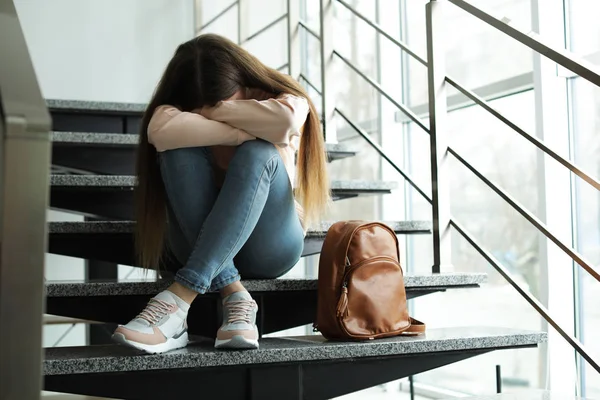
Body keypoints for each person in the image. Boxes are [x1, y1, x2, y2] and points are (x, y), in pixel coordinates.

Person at [111, 34, 330, 354]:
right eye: (197, 111)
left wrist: (212, 116)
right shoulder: (168, 113)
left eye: (223, 103)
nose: (209, 111)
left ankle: (179, 300)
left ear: (243, 81)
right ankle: (236, 294)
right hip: (195, 238)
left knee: (260, 154)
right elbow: (159, 130)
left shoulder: (282, 98)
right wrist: (244, 124)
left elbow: (284, 122)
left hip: (269, 245)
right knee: (175, 152)